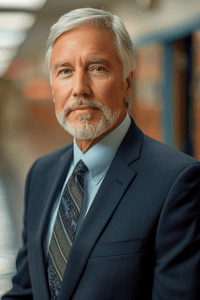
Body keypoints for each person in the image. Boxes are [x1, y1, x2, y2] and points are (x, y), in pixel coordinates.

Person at [3, 8, 200, 300]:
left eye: (97, 68)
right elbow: (25, 289)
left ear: (127, 84)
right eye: (65, 71)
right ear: (54, 89)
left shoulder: (177, 181)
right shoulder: (41, 173)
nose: (79, 89)